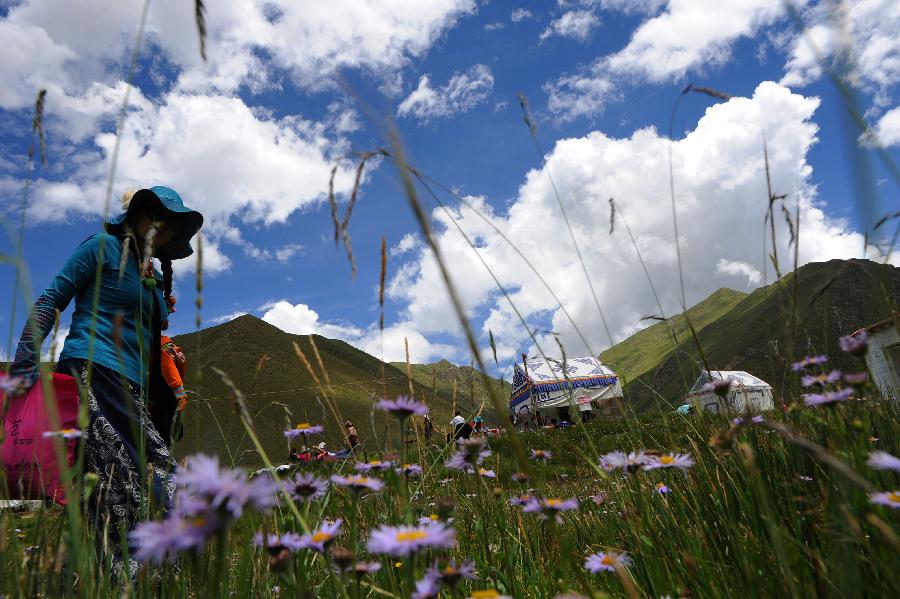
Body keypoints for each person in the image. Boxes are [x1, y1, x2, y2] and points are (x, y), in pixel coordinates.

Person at [9, 186, 202, 580]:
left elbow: (144, 334)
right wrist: (24, 369)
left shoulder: (148, 278)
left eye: (169, 228)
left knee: (114, 489)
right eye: (155, 218)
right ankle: (132, 578)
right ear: (134, 216)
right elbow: (52, 299)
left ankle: (87, 579)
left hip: (130, 388)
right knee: (129, 485)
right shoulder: (102, 246)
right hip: (91, 372)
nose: (160, 230)